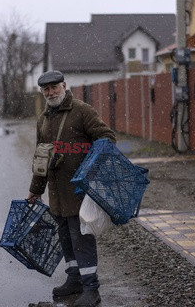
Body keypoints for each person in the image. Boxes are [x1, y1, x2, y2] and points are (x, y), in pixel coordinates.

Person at [27, 70, 115, 307]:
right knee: (66, 237)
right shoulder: (43, 120)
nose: (51, 92)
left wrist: (89, 168)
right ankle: (74, 279)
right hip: (56, 192)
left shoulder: (82, 111)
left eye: (55, 87)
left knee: (81, 238)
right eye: (46, 89)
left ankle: (91, 288)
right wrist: (36, 189)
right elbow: (41, 158)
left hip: (79, 191)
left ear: (64, 86)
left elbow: (107, 138)